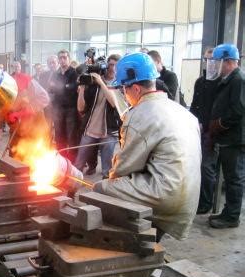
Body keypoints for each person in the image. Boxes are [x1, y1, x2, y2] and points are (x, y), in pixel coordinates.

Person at [93, 52, 201, 240]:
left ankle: (126, 242)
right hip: (189, 197)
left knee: (102, 188)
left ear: (135, 88)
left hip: (167, 197)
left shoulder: (139, 115)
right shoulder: (183, 112)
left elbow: (123, 168)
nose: (123, 94)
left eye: (124, 89)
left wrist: (110, 182)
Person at [0, 66, 50, 173]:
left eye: (0, 89)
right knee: (15, 169)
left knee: (38, 166)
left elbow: (44, 98)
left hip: (38, 131)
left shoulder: (24, 81)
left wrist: (22, 113)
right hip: (17, 134)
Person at [205, 44, 245, 229]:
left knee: (234, 178)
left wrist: (219, 124)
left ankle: (232, 217)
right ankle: (228, 212)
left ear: (228, 62)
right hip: (228, 138)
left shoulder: (238, 79)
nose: (215, 67)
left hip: (235, 139)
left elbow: (238, 109)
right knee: (230, 177)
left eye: (217, 63)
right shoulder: (229, 79)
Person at [75, 54, 121, 178]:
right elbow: (81, 108)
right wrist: (82, 89)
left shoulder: (120, 83)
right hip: (91, 127)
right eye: (110, 64)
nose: (112, 68)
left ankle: (105, 190)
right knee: (79, 162)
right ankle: (72, 185)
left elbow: (114, 103)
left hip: (109, 130)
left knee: (107, 167)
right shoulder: (93, 82)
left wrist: (101, 83)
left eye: (116, 65)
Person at [189, 48, 220, 214]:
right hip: (197, 129)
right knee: (195, 165)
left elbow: (218, 109)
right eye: (207, 60)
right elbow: (195, 104)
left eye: (213, 60)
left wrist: (206, 125)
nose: (209, 63)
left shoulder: (221, 83)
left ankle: (206, 202)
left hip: (212, 132)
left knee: (206, 167)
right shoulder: (200, 81)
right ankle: (198, 197)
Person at [49, 50, 79, 162]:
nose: (62, 60)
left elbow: (73, 86)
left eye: (64, 57)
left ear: (69, 58)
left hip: (71, 108)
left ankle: (72, 160)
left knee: (71, 135)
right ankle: (62, 160)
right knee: (59, 135)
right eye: (60, 58)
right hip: (58, 109)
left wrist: (62, 87)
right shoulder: (56, 73)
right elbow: (51, 88)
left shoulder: (74, 72)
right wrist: (63, 86)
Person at [39, 55, 59, 126]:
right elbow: (40, 88)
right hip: (46, 105)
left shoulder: (62, 74)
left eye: (53, 62)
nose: (51, 65)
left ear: (57, 62)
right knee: (47, 125)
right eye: (49, 63)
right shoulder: (43, 75)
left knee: (58, 126)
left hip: (57, 105)